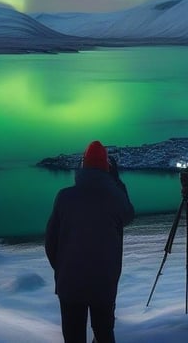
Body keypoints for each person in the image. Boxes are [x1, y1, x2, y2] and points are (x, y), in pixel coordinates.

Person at [45, 140, 135, 343]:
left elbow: (50, 243)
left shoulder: (64, 197)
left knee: (73, 335)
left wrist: (62, 270)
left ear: (82, 166)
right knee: (104, 332)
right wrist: (117, 182)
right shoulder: (115, 198)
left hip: (69, 282)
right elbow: (128, 215)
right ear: (107, 168)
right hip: (104, 282)